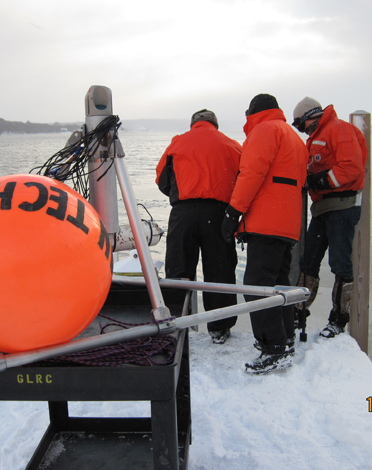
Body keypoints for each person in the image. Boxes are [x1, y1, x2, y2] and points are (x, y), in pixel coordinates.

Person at [222, 94, 309, 374]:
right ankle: (286, 339)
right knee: (279, 285)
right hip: (288, 222)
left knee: (257, 285)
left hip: (266, 221)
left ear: (253, 112)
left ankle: (274, 348)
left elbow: (252, 173)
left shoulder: (265, 130)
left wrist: (233, 212)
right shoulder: (293, 137)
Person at [156, 109, 242, 343]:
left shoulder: (178, 143)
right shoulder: (232, 145)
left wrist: (184, 194)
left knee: (178, 271)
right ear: (215, 124)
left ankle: (177, 325)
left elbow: (162, 181)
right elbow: (244, 180)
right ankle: (219, 327)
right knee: (220, 271)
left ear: (193, 124)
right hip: (219, 214)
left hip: (183, 213)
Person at [292, 97, 367, 338]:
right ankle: (297, 313)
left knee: (340, 263)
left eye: (300, 125)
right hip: (323, 208)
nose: (301, 131)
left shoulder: (339, 130)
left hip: (342, 207)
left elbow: (352, 167)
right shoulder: (317, 138)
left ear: (308, 118)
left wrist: (318, 181)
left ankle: (339, 319)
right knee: (308, 261)